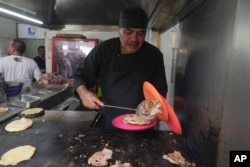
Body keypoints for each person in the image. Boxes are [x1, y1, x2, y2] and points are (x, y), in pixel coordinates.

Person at [73, 7, 168, 129]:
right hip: (108, 123)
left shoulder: (154, 55)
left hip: (143, 126)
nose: (134, 39)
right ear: (119, 31)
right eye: (128, 32)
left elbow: (160, 92)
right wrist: (84, 93)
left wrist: (155, 110)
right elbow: (80, 76)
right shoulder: (104, 50)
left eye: (140, 33)